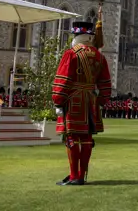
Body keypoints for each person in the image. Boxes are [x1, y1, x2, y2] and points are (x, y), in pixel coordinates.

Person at [52, 21, 112, 186]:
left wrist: (58, 102)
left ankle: (74, 175)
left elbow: (63, 80)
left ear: (79, 36)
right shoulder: (100, 57)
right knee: (86, 139)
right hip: (91, 101)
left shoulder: (71, 54)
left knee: (71, 138)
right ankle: (80, 174)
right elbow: (106, 84)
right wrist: (100, 101)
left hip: (73, 100)